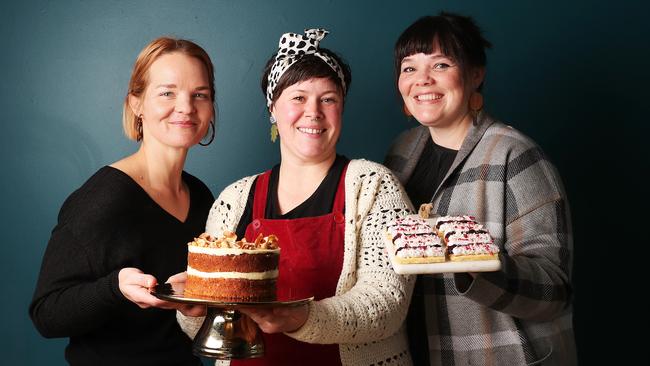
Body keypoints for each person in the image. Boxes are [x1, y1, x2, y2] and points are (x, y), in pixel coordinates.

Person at [177, 28, 414, 366]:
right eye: (298, 97)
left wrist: (302, 318)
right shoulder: (235, 198)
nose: (313, 112)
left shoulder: (373, 185)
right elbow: (212, 326)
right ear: (273, 108)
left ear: (341, 108)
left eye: (328, 99)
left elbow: (387, 304)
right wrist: (192, 309)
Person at [384, 12, 577, 365]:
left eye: (441, 64)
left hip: (500, 355)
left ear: (475, 74)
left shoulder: (515, 155)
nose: (422, 80)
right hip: (418, 352)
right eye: (409, 68)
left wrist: (477, 266)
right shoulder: (400, 153)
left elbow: (554, 290)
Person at [29, 37, 217, 365]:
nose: (186, 107)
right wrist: (115, 289)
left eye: (199, 94)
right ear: (136, 104)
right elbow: (46, 314)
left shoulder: (202, 197)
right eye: (167, 92)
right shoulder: (105, 199)